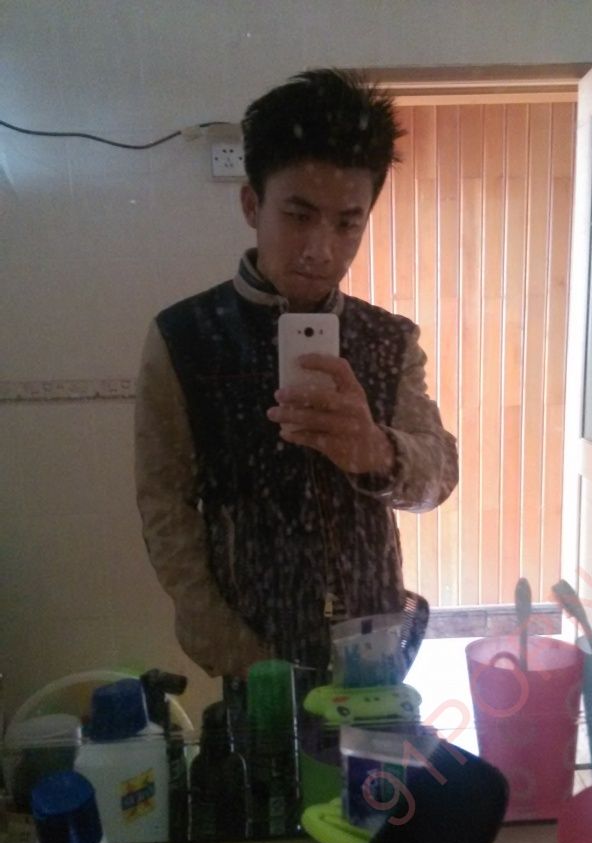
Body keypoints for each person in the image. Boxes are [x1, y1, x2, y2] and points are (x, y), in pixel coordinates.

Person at [134, 69, 458, 680]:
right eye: (299, 215)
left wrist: (376, 451)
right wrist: (236, 651)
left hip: (374, 645)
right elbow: (165, 506)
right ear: (252, 204)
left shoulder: (389, 339)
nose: (320, 249)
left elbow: (438, 478)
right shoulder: (182, 337)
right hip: (250, 646)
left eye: (347, 223)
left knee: (374, 751)